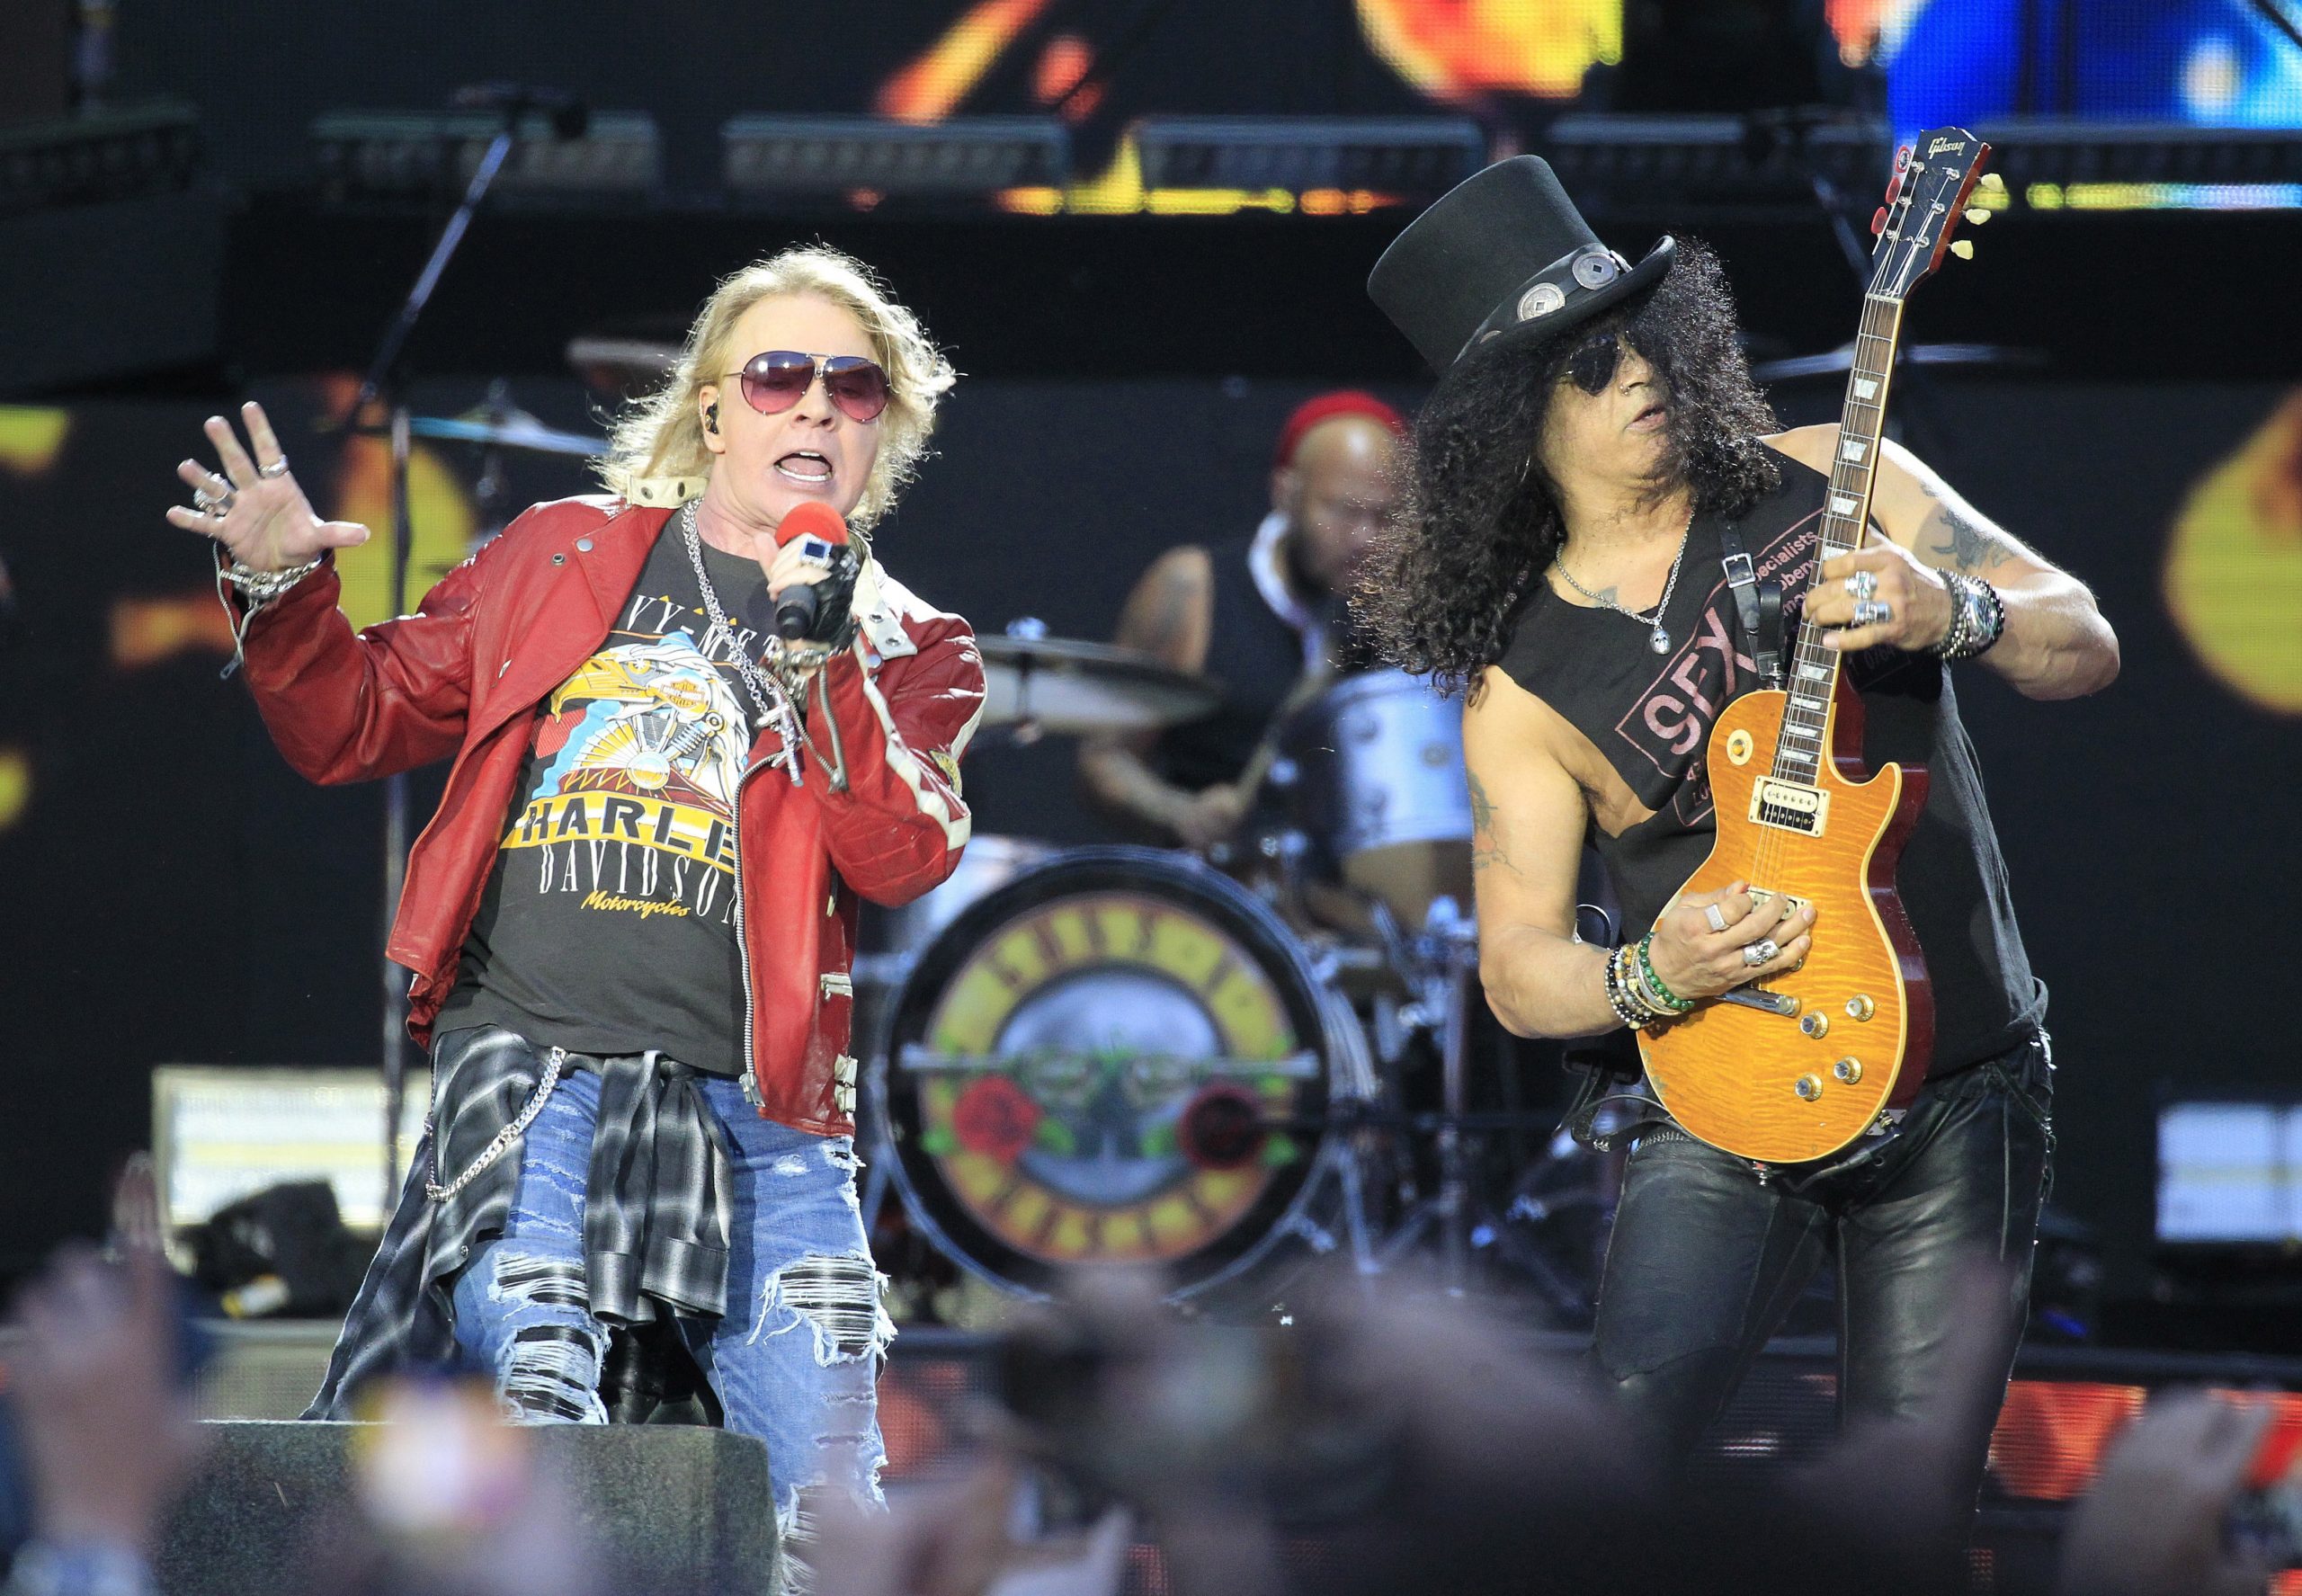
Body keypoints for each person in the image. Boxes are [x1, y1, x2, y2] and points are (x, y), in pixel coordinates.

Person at [164, 246, 984, 1547]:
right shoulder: (560, 556)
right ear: (714, 409)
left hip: (764, 1117)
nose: (818, 406)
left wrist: (822, 657)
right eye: (780, 375)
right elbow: (354, 718)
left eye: (854, 385)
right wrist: (281, 589)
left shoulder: (910, 644)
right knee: (545, 1390)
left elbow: (903, 853)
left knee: (833, 1519)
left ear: (888, 424)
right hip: (532, 1068)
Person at [1359, 157, 2119, 1550]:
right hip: (1723, 1099)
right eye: (1589, 361)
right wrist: (1652, 969)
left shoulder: (1837, 472)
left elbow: (2081, 637)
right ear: (1509, 418)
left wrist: (1948, 605)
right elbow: (1522, 972)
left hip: (1961, 1081)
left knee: (1910, 1511)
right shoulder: (1520, 690)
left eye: (1650, 328)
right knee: (1609, 1479)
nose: (1640, 367)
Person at [1077, 391, 1403, 852]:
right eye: (1345, 511)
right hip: (1215, 898)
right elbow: (1104, 756)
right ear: (1285, 493)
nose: (1365, 538)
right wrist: (1177, 811)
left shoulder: (1403, 613)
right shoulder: (1194, 588)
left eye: (1385, 516)